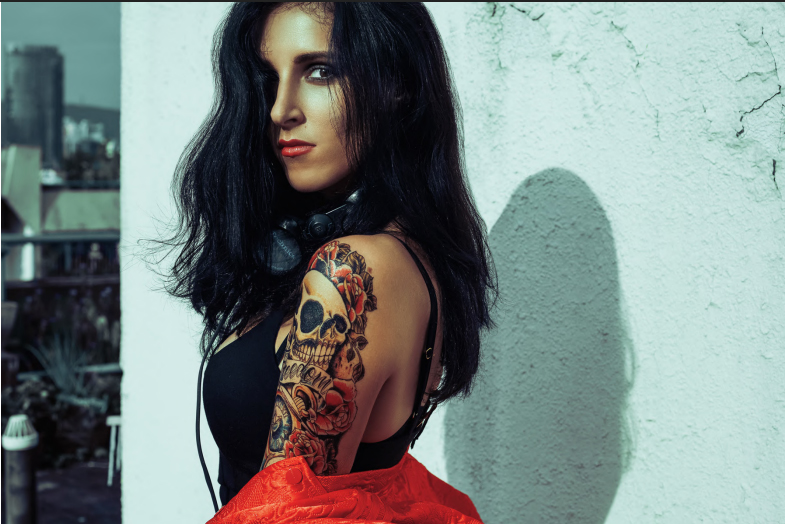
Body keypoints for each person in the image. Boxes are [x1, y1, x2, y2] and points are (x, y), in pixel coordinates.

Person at [160, 2, 496, 521]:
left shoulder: (354, 269)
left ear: (397, 85)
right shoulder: (383, 253)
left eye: (320, 71)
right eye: (269, 77)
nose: (280, 110)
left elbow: (285, 513)